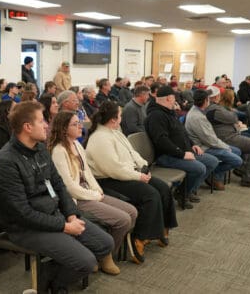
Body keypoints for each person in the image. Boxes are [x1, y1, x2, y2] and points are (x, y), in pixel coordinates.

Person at [0, 101, 114, 293]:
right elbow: (22, 214)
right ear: (27, 127)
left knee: (105, 244)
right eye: (42, 121)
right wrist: (64, 226)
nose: (47, 124)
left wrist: (71, 214)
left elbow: (59, 186)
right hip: (25, 227)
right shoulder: (5, 162)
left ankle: (49, 276)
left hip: (54, 215)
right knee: (87, 262)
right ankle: (52, 282)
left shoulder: (40, 149)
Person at [86, 101, 178, 264]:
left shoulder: (116, 132)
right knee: (150, 195)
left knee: (163, 188)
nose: (121, 118)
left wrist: (143, 166)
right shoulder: (99, 138)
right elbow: (113, 168)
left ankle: (162, 228)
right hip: (109, 180)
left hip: (128, 174)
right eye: (120, 115)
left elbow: (132, 152)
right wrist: (138, 177)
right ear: (114, 119)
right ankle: (139, 238)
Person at [49, 111, 137, 274]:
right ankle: (105, 255)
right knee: (123, 219)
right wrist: (95, 195)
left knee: (132, 211)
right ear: (63, 129)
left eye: (79, 122)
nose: (80, 126)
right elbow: (69, 187)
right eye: (75, 124)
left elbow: (87, 173)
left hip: (89, 193)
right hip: (77, 199)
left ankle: (106, 251)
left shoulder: (77, 144)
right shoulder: (59, 151)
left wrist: (97, 189)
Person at [145, 86, 219, 209]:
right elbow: (161, 142)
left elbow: (182, 132)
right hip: (166, 155)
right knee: (199, 168)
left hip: (181, 151)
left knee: (212, 161)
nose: (176, 100)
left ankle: (187, 190)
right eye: (174, 97)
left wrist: (192, 144)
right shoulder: (156, 116)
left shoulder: (168, 112)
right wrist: (182, 154)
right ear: (169, 98)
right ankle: (182, 194)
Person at [206, 87, 250, 188]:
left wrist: (231, 113)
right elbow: (233, 117)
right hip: (227, 137)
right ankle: (248, 178)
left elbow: (232, 118)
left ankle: (244, 168)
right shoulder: (214, 110)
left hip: (228, 135)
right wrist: (232, 113)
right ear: (216, 97)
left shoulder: (215, 108)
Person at [185, 89, 243, 190]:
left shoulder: (198, 111)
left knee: (237, 151)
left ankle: (215, 177)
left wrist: (225, 146)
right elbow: (209, 140)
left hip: (207, 143)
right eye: (208, 99)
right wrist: (225, 147)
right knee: (237, 160)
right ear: (205, 101)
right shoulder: (197, 117)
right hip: (203, 147)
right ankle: (213, 175)